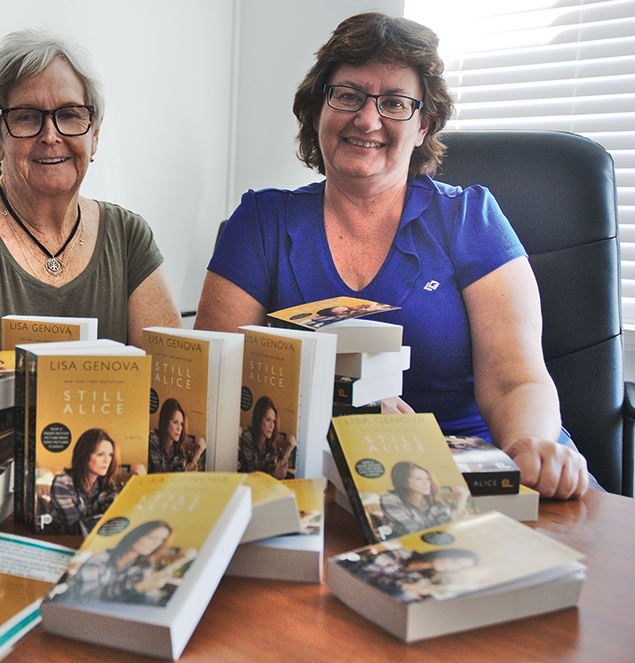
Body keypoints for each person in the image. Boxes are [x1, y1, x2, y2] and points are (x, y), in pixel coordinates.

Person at [194, 12, 589, 499]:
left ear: (423, 125)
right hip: (321, 478)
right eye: (348, 96)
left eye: (395, 103)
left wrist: (529, 449)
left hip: (477, 472)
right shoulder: (260, 221)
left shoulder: (469, 219)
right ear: (319, 108)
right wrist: (339, 408)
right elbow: (214, 383)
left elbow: (515, 381)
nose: (367, 119)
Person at [0, 29, 181, 360]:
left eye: (69, 114)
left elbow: (174, 390)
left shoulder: (129, 238)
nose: (51, 136)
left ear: (94, 135)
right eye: (27, 117)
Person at [54, 520, 194, 606]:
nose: (155, 544)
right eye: (151, 537)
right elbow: (85, 599)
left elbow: (127, 598)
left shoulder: (144, 565)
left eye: (161, 540)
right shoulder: (100, 560)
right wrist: (139, 587)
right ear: (136, 535)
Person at [336, 545, 480, 602]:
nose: (451, 567)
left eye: (458, 567)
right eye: (454, 561)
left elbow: (387, 589)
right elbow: (364, 573)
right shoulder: (403, 554)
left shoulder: (420, 576)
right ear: (446, 553)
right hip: (343, 576)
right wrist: (406, 587)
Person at [48, 428, 119, 535]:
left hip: (96, 544)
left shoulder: (107, 484)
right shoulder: (63, 483)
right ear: (84, 455)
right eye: (100, 454)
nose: (107, 460)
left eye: (110, 455)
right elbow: (75, 528)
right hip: (63, 543)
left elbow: (114, 522)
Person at [379, 461, 471, 538]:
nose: (426, 483)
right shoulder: (390, 499)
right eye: (418, 479)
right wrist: (452, 519)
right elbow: (414, 531)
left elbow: (446, 523)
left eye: (427, 479)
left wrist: (461, 502)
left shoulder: (431, 499)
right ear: (403, 482)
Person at [238, 395, 295, 479]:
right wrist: (274, 475)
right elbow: (252, 474)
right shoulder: (247, 437)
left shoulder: (270, 445)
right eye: (268, 420)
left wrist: (288, 451)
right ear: (259, 419)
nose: (271, 426)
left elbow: (277, 472)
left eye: (274, 421)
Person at [147, 398, 206, 473]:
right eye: (175, 422)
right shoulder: (154, 440)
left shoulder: (177, 448)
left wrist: (198, 453)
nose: (179, 428)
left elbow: (181, 477)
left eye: (181, 424)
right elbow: (158, 476)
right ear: (165, 422)